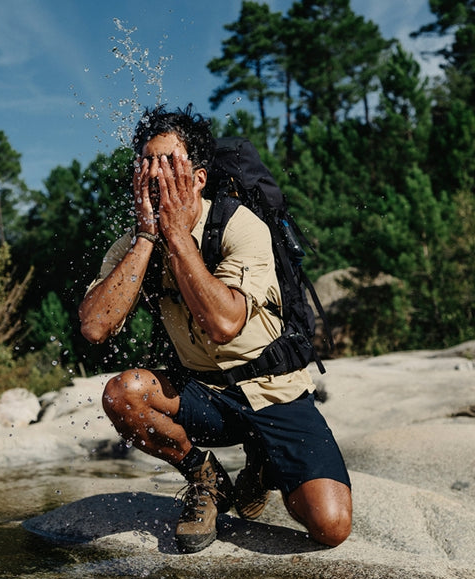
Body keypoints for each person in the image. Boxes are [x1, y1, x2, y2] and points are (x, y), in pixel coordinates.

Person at [78, 105, 352, 554]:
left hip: (273, 391)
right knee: (121, 394)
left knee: (330, 525)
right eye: (146, 164)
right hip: (204, 395)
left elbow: (224, 323)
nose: (155, 176)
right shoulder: (133, 243)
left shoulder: (240, 225)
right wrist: (149, 237)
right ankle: (205, 479)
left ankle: (263, 461)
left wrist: (178, 236)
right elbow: (94, 326)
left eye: (169, 164)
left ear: (198, 178)